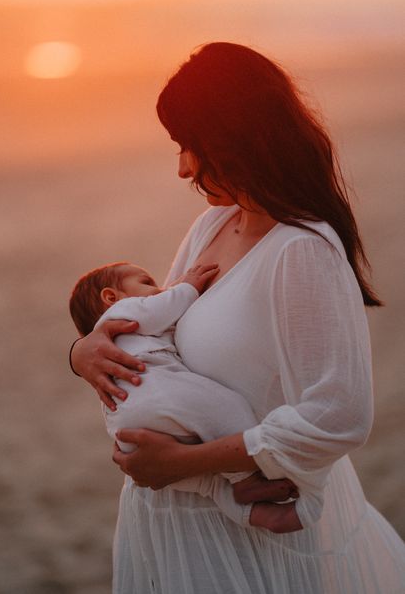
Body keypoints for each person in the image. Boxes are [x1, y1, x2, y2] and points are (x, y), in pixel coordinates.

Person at [70, 43, 405, 593]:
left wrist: (187, 463)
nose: (183, 168)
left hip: (248, 535)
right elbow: (162, 326)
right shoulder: (216, 223)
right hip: (179, 527)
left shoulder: (301, 249)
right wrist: (81, 352)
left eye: (190, 146)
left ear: (236, 138)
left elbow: (341, 414)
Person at [69, 261, 325, 533]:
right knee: (227, 405)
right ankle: (245, 477)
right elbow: (161, 309)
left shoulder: (112, 338)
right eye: (147, 282)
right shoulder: (123, 313)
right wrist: (187, 286)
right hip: (156, 393)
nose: (159, 289)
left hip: (127, 425)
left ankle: (244, 508)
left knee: (205, 482)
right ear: (111, 297)